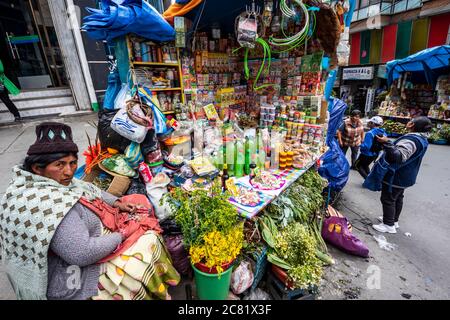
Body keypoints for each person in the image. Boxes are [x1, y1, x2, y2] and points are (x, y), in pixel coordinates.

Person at [0, 122, 179, 300]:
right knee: (149, 240)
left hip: (86, 237)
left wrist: (117, 203)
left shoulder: (46, 182)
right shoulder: (49, 206)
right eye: (60, 165)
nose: (69, 172)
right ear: (37, 168)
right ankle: (144, 289)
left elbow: (87, 188)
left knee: (138, 201)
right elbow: (82, 253)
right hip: (70, 276)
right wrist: (122, 234)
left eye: (72, 163)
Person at [370, 116, 432, 234]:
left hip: (397, 175)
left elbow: (398, 156)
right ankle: (394, 220)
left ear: (412, 125)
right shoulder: (422, 139)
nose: (408, 122)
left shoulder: (412, 140)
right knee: (397, 197)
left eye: (411, 121)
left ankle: (388, 225)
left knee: (388, 198)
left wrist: (387, 142)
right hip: (406, 176)